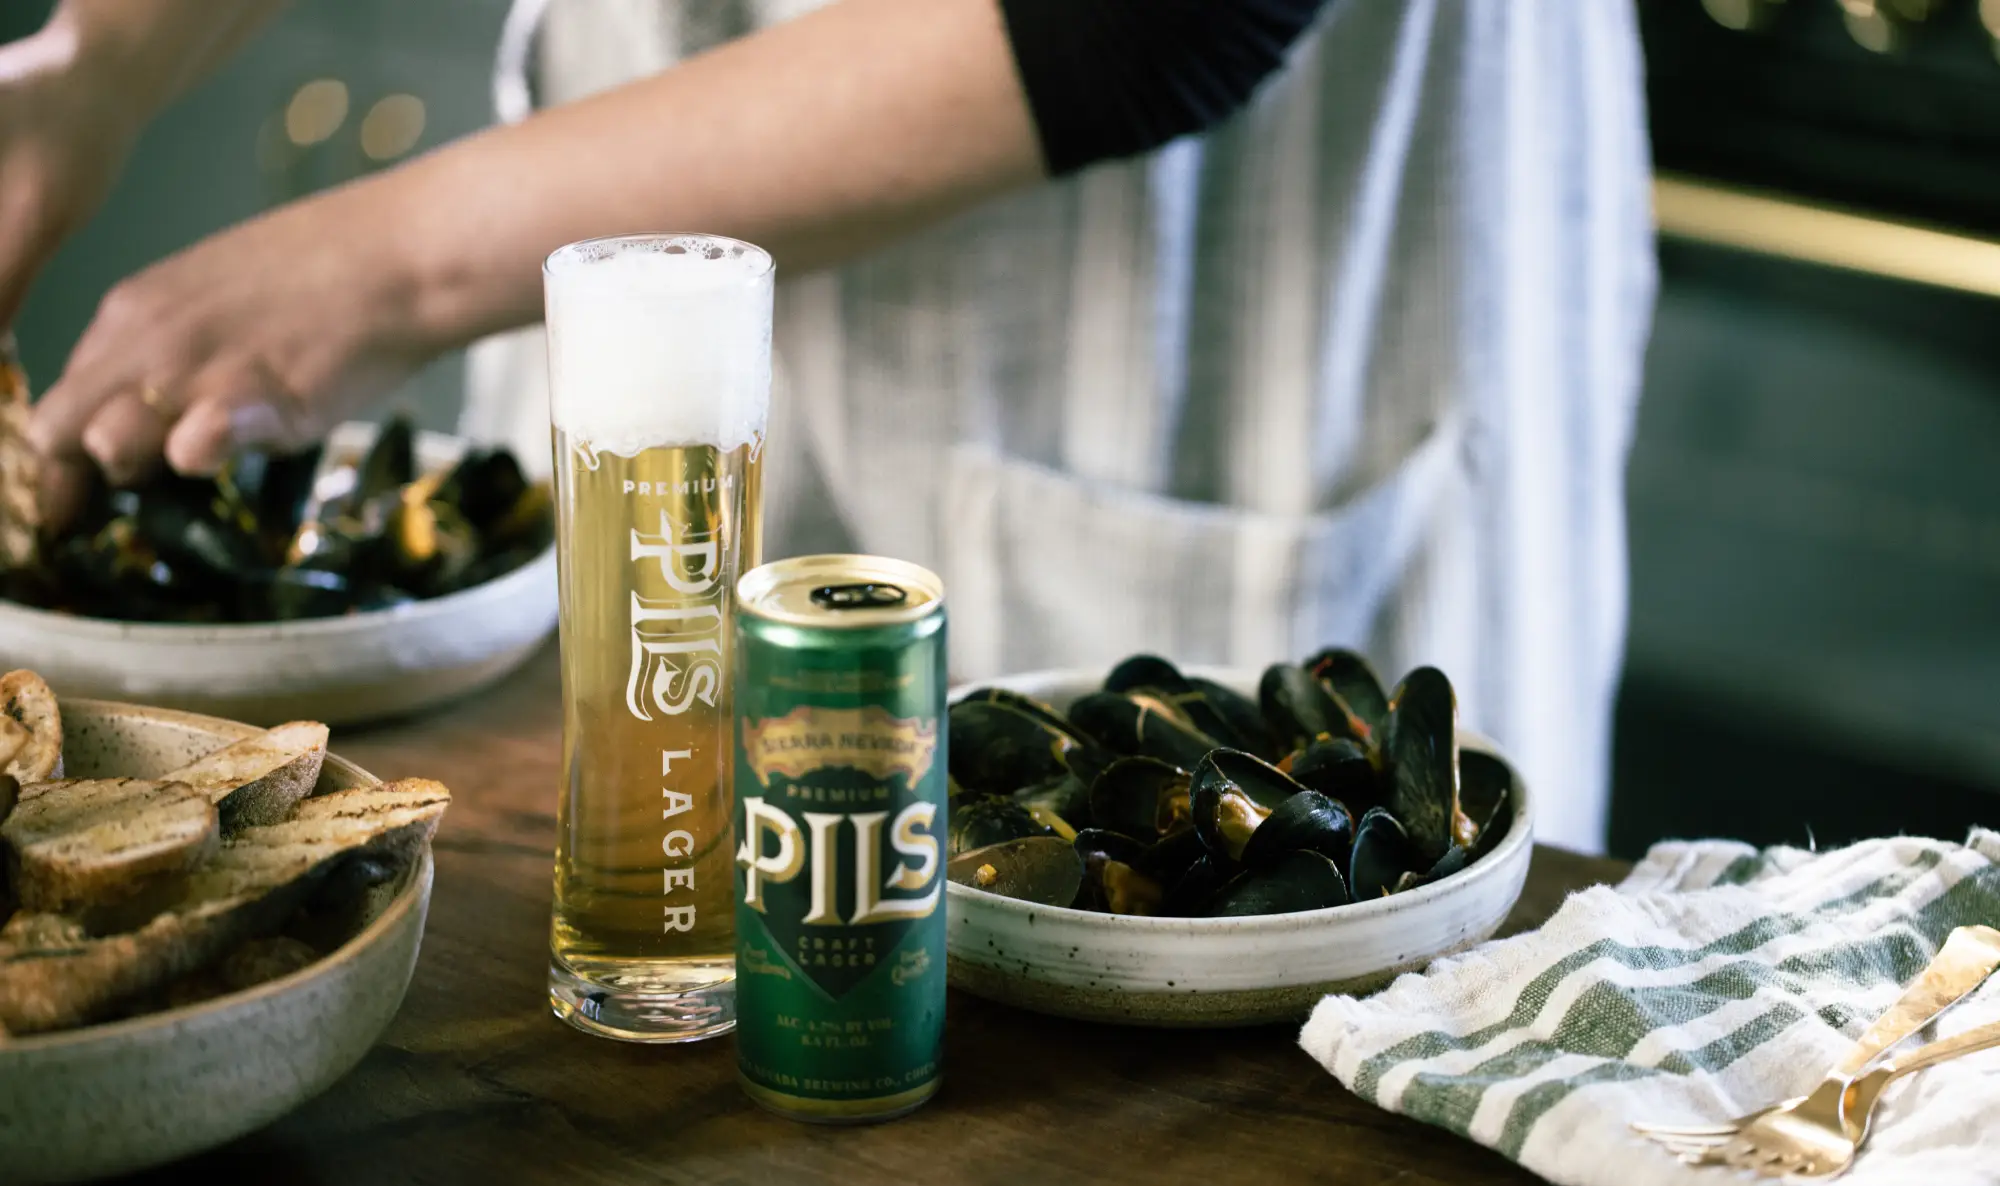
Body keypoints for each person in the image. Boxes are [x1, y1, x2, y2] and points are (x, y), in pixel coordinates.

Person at [0, 0, 1654, 851]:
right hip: (619, 308)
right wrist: (102, 57)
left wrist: (389, 259)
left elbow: (1153, 17)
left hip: (1209, 327)